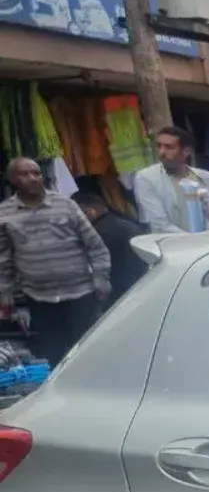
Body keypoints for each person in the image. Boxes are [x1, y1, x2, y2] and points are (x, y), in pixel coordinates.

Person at [0, 157, 111, 366]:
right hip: (39, 299)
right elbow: (4, 262)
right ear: (13, 180)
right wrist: (7, 298)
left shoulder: (66, 205)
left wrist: (101, 278)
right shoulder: (4, 214)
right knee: (52, 357)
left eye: (36, 173)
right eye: (24, 174)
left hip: (80, 293)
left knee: (88, 351)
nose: (33, 178)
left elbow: (95, 246)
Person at [134, 125, 209, 233]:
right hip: (172, 245)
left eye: (169, 147)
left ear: (186, 151)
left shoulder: (207, 178)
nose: (161, 153)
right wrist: (195, 241)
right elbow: (160, 225)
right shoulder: (147, 178)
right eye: (159, 146)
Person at [70, 191, 146, 304]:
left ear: (89, 212)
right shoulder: (127, 222)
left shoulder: (97, 236)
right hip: (144, 288)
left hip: (121, 300)